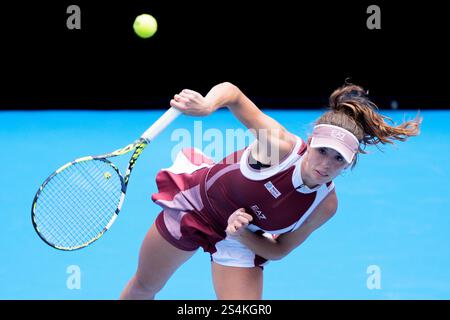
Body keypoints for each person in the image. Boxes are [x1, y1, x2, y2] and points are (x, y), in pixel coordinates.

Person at [120, 81, 421, 299]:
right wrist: (207, 105)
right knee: (145, 287)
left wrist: (241, 234)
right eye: (323, 151)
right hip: (197, 205)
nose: (326, 164)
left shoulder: (325, 205)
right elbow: (233, 94)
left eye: (339, 158)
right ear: (311, 143)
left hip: (239, 240)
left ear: (348, 165)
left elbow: (279, 250)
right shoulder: (279, 147)